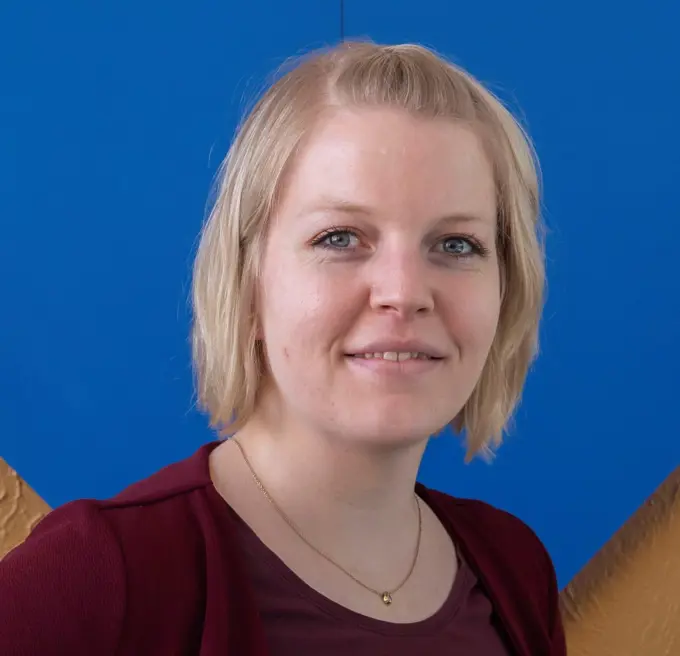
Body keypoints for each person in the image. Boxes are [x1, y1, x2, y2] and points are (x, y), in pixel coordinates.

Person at [0, 41, 566, 655]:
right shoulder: (92, 580)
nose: (404, 293)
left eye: (457, 245)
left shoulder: (515, 568)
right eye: (340, 236)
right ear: (248, 284)